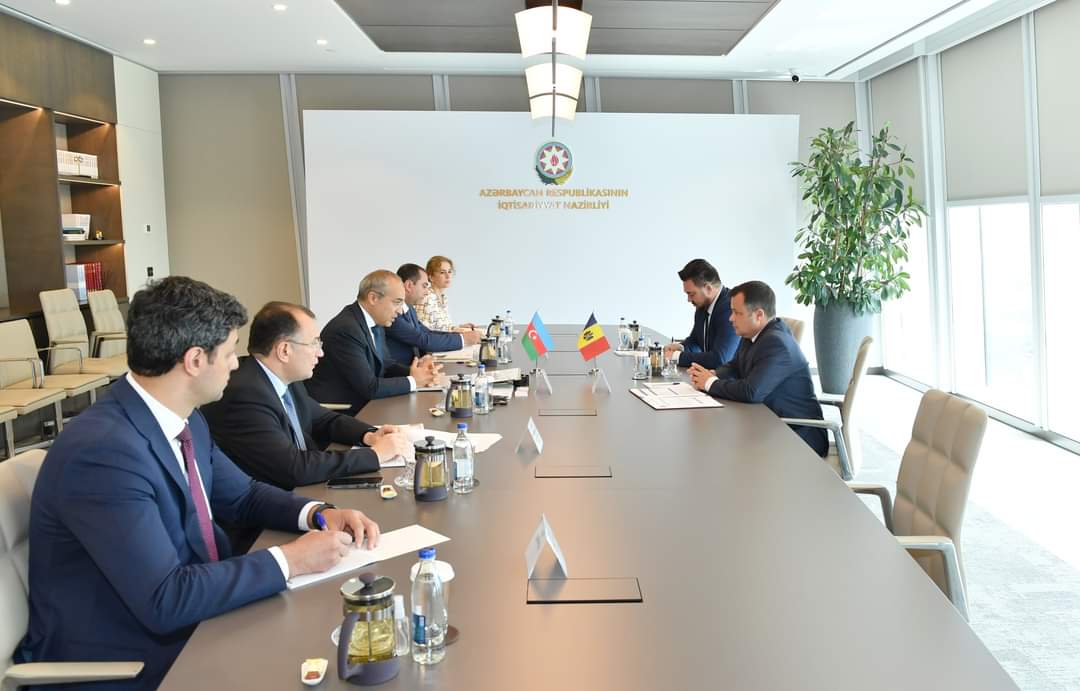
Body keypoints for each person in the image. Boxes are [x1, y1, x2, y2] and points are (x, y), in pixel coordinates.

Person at [20, 276, 380, 690]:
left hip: (198, 613)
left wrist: (318, 513)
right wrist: (290, 560)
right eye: (228, 353)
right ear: (194, 360)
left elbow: (243, 495)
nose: (236, 364)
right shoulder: (103, 453)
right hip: (135, 657)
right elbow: (165, 598)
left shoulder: (184, 417)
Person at [201, 301, 412, 491]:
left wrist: (370, 435)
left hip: (307, 486)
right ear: (284, 350)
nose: (320, 353)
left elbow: (324, 419)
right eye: (314, 343)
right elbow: (294, 468)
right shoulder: (245, 394)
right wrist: (375, 455)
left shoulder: (285, 378)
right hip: (274, 505)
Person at [687, 280, 828, 456]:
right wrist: (713, 374)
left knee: (719, 445)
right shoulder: (753, 334)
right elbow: (735, 366)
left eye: (737, 313)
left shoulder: (776, 343)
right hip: (769, 422)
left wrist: (710, 383)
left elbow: (751, 391)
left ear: (759, 315)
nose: (731, 318)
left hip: (798, 435)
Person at [306, 270, 443, 415]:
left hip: (367, 404)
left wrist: (417, 372)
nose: (399, 311)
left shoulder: (375, 321)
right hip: (343, 412)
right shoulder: (346, 330)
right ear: (373, 298)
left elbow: (386, 364)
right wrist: (414, 381)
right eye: (396, 302)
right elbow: (370, 387)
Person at [385, 263, 482, 367]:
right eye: (424, 286)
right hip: (402, 372)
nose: (427, 292)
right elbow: (424, 340)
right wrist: (463, 339)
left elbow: (427, 333)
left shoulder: (409, 309)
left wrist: (461, 336)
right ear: (409, 285)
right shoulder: (392, 314)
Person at [663, 258, 739, 368]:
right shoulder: (702, 306)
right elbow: (695, 341)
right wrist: (680, 348)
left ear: (708, 288)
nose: (688, 299)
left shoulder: (730, 308)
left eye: (692, 294)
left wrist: (677, 357)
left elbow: (720, 359)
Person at [415, 255, 476, 333]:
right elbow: (423, 332)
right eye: (442, 272)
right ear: (431, 277)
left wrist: (459, 328)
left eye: (449, 272)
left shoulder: (443, 298)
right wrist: (453, 331)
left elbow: (442, 327)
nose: (448, 276)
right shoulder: (425, 297)